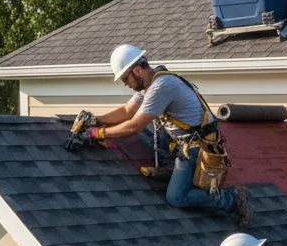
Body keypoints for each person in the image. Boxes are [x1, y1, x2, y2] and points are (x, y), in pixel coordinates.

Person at [88, 44, 252, 225]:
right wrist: (95, 120)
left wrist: (99, 133)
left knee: (177, 197)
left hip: (199, 147)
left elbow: (134, 126)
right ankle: (171, 167)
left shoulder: (162, 86)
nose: (125, 84)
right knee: (158, 126)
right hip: (185, 143)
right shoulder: (150, 84)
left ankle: (233, 198)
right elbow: (127, 111)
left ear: (137, 71)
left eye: (125, 79)